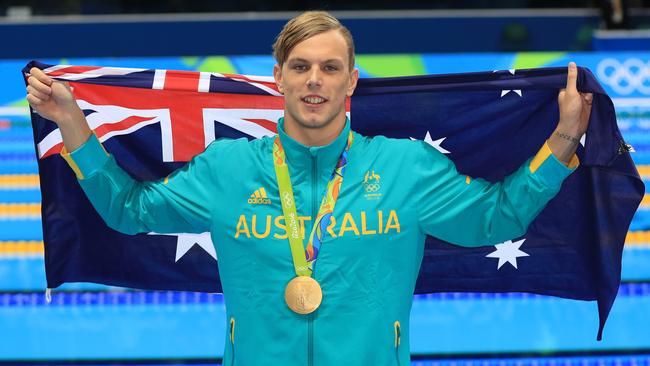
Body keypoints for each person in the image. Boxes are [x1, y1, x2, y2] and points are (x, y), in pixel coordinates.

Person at [26, 11, 592, 366]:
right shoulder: (228, 168)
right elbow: (129, 210)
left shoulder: (405, 167)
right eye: (299, 67)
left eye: (329, 67)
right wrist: (72, 122)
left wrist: (565, 135)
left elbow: (496, 220)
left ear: (352, 79)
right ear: (278, 78)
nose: (314, 81)